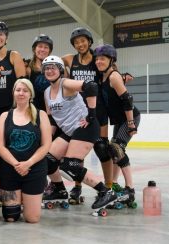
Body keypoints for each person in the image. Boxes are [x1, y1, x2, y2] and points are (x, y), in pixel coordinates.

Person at [42, 56, 117, 212]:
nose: (49, 70)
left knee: (70, 166)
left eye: (53, 67)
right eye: (46, 68)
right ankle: (59, 190)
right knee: (47, 159)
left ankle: (106, 192)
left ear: (60, 70)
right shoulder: (47, 92)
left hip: (86, 127)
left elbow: (91, 87)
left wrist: (91, 115)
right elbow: (52, 120)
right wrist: (46, 140)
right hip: (70, 131)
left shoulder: (66, 84)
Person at [61, 27, 111, 203]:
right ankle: (77, 186)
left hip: (98, 110)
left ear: (89, 42)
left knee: (103, 149)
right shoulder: (69, 59)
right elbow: (52, 64)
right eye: (76, 42)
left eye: (83, 41)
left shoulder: (97, 59)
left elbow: (111, 70)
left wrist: (123, 76)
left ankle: (109, 186)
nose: (80, 44)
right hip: (78, 111)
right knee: (77, 153)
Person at [0, 78, 52, 223]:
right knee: (10, 217)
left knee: (32, 218)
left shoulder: (41, 115)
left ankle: (27, 200)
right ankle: (18, 201)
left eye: (25, 90)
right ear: (13, 93)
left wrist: (28, 163)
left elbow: (46, 145)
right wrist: (16, 164)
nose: (21, 93)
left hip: (34, 170)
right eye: (18, 90)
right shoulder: (5, 116)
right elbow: (0, 146)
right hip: (9, 169)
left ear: (30, 94)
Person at [94, 44, 140, 204]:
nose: (99, 61)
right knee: (113, 151)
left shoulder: (113, 76)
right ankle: (113, 184)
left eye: (103, 58)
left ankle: (130, 189)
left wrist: (131, 123)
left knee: (116, 148)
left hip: (129, 117)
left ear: (111, 60)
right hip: (120, 121)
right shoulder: (103, 77)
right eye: (97, 58)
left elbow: (127, 100)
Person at [26, 34, 53, 111]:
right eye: (40, 46)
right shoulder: (28, 69)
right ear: (34, 49)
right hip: (34, 110)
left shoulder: (55, 68)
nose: (42, 50)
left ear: (49, 51)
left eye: (46, 47)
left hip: (53, 109)